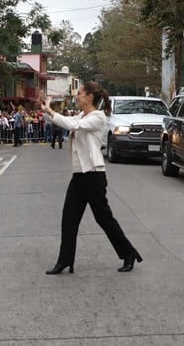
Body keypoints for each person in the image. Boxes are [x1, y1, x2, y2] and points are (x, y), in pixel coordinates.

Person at [40, 81, 142, 274]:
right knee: (68, 219)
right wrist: (47, 110)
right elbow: (69, 122)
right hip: (79, 175)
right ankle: (65, 260)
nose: (76, 96)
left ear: (89, 97)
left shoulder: (98, 117)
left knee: (104, 219)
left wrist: (51, 111)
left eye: (79, 93)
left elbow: (72, 124)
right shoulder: (81, 115)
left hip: (94, 176)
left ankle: (129, 253)